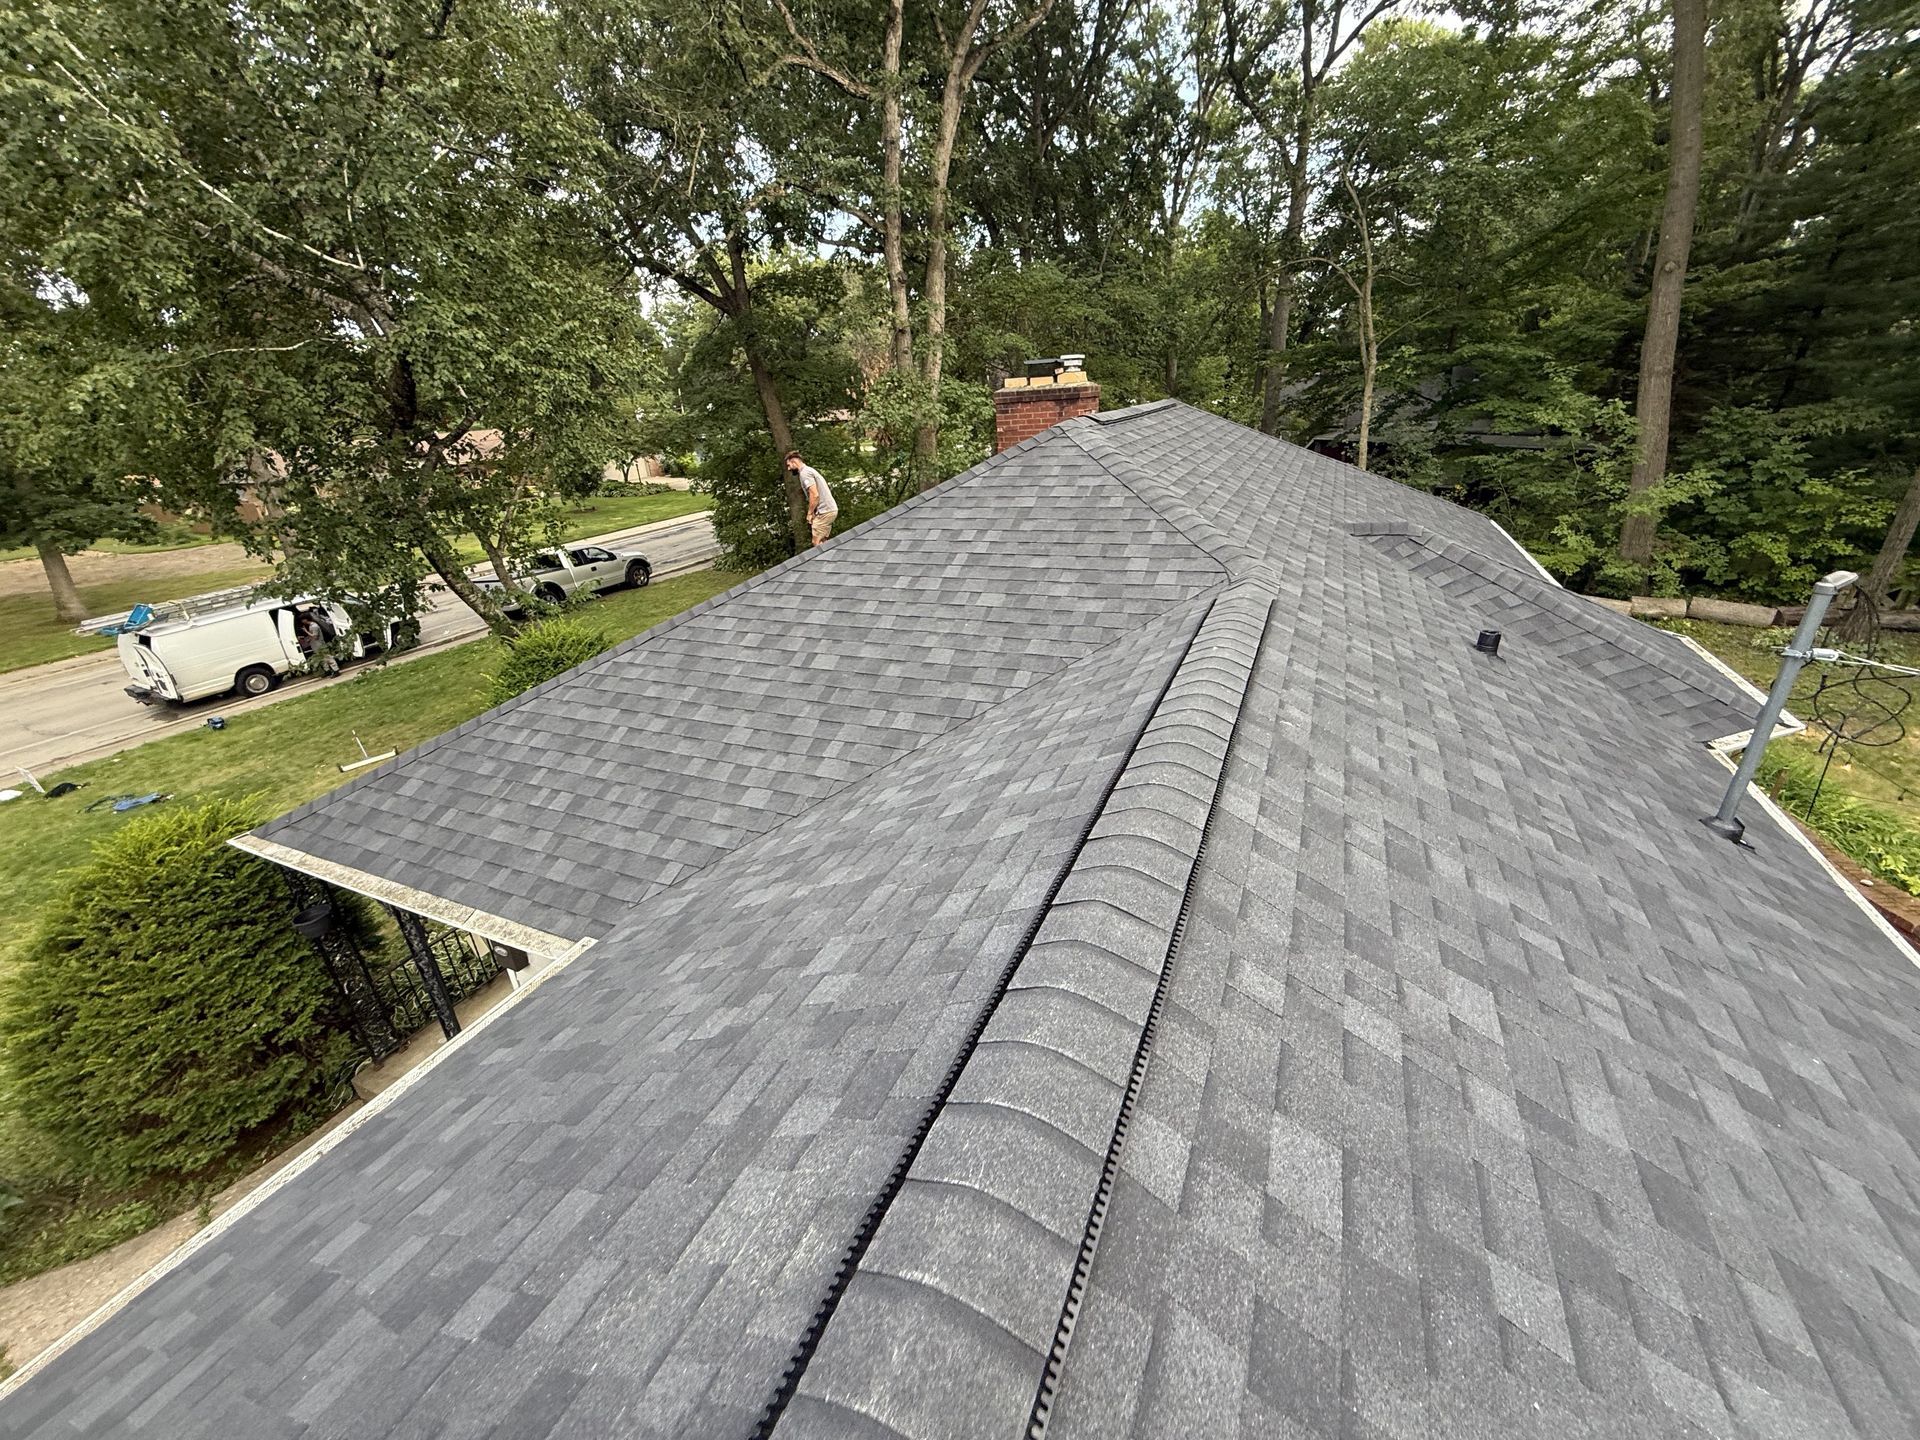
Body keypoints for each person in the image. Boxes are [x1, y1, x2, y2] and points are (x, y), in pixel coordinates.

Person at [786, 450, 838, 547]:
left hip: (825, 511)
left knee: (816, 543)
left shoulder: (805, 473)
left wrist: (809, 513)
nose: (788, 469)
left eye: (789, 465)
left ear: (794, 461)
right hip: (829, 510)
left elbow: (814, 495)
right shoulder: (809, 470)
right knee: (823, 542)